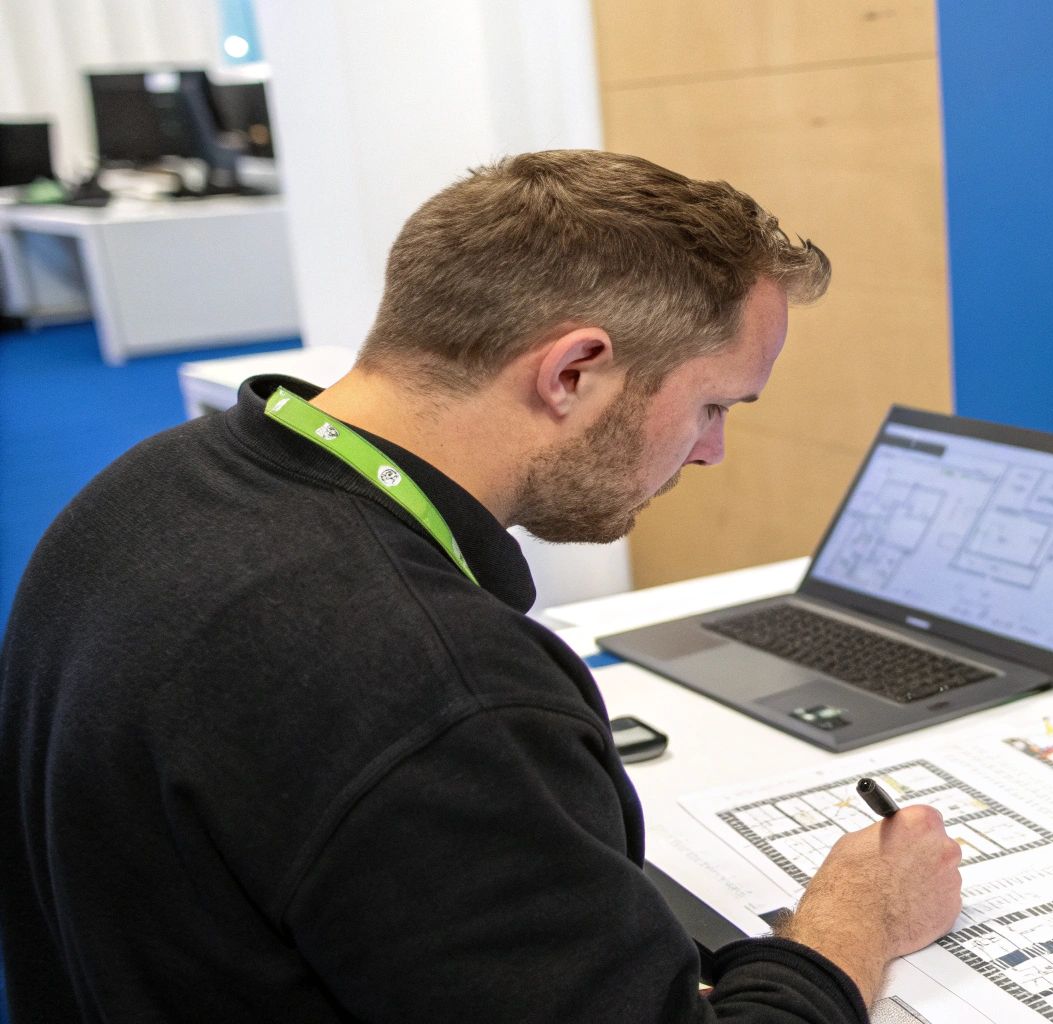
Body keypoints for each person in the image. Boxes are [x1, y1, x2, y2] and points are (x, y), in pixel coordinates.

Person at [0, 150, 963, 1022]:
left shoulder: (149, 485)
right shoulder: (432, 685)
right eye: (712, 406)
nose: (710, 453)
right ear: (575, 371)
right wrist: (854, 925)